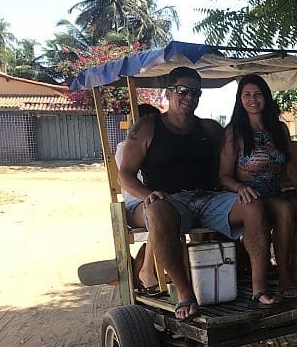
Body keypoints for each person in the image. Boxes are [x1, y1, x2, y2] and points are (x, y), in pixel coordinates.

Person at [118, 67, 278, 321]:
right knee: (158, 211)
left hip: (209, 198)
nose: (188, 97)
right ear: (169, 93)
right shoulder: (147, 128)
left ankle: (260, 287)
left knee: (253, 203)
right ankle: (186, 294)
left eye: (195, 92)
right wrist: (147, 194)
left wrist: (249, 179)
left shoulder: (211, 129)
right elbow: (124, 174)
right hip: (168, 201)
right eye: (182, 90)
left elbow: (232, 160)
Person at [219, 74, 297, 299]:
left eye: (258, 94)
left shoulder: (279, 129)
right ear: (240, 99)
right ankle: (283, 276)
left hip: (277, 192)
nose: (252, 99)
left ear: (266, 97)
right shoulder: (234, 131)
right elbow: (224, 176)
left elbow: (290, 166)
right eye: (246, 95)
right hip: (251, 196)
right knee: (285, 210)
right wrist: (239, 188)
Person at [116, 103, 162, 295]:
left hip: (160, 198)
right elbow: (133, 179)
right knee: (158, 211)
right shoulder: (125, 148)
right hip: (137, 202)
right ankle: (147, 271)